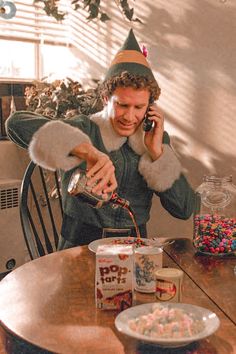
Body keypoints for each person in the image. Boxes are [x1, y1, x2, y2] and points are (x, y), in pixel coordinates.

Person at [6, 29, 196, 250]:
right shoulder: (85, 128)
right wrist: (88, 151)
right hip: (78, 246)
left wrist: (157, 153)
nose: (130, 116)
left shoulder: (154, 139)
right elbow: (14, 124)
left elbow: (184, 209)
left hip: (134, 246)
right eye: (122, 105)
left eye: (139, 107)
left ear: (150, 107)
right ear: (106, 99)